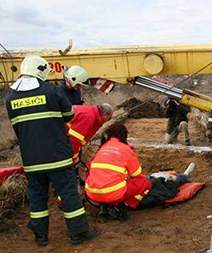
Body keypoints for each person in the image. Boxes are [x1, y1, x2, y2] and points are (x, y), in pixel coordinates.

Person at [5, 55, 96, 246]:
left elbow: (18, 129)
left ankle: (41, 236)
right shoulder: (51, 91)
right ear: (41, 70)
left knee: (37, 198)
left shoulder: (11, 97)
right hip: (57, 157)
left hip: (31, 160)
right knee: (69, 194)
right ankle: (78, 233)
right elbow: (70, 114)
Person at [85, 124, 194, 219]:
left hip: (92, 193)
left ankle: (107, 204)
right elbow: (137, 174)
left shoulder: (102, 149)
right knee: (144, 182)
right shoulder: (125, 149)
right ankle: (184, 177)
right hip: (114, 194)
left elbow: (93, 170)